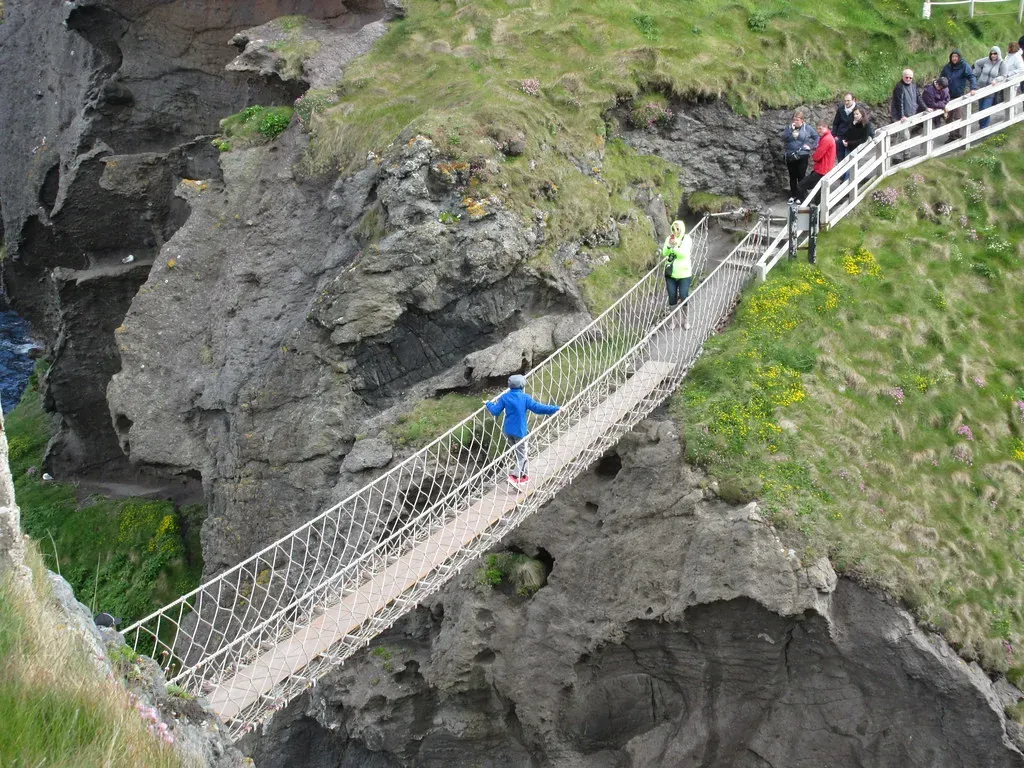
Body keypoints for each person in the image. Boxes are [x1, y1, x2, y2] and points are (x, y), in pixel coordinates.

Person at [485, 374, 560, 486]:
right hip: (520, 431)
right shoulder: (525, 398)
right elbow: (538, 408)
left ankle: (524, 477)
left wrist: (488, 403)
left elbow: (495, 411)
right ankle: (515, 477)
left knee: (519, 453)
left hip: (508, 431)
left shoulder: (505, 397)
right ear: (522, 385)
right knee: (523, 455)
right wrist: (556, 409)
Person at [661, 219, 693, 330]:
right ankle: (673, 321)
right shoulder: (669, 239)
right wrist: (670, 246)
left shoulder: (687, 239)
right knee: (672, 297)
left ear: (682, 229)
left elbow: (683, 254)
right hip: (670, 273)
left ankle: (685, 320)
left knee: (684, 296)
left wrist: (674, 246)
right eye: (673, 229)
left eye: (678, 229)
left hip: (684, 273)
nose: (675, 231)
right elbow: (664, 252)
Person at [780, 109, 819, 199]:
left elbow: (817, 137)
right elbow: (783, 138)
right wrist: (790, 130)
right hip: (790, 155)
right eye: (794, 119)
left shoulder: (807, 128)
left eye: (797, 120)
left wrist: (811, 146)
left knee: (801, 176)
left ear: (802, 120)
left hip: (802, 155)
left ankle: (801, 196)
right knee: (792, 176)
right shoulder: (789, 128)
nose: (795, 122)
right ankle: (793, 195)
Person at [940, 49, 977, 139]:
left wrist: (973, 88)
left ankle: (957, 134)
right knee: (948, 117)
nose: (954, 58)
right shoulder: (947, 67)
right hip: (947, 96)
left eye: (956, 56)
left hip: (958, 95)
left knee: (957, 116)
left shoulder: (964, 66)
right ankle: (951, 135)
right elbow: (941, 78)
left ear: (959, 57)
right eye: (953, 56)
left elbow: (971, 76)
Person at [798, 119, 836, 202]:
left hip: (821, 170)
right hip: (825, 169)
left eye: (820, 128)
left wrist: (813, 154)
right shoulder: (828, 138)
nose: (818, 131)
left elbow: (817, 157)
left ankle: (807, 206)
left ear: (826, 128)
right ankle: (814, 209)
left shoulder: (826, 139)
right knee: (818, 193)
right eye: (817, 129)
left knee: (801, 185)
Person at [974, 46, 1006, 129]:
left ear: (998, 54)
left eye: (995, 53)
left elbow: (1003, 75)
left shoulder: (1002, 63)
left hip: (991, 89)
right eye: (991, 53)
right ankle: (981, 125)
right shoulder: (986, 60)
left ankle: (984, 127)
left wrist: (996, 80)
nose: (993, 55)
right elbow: (976, 63)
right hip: (981, 87)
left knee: (985, 109)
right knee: (981, 108)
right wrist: (978, 74)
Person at [831, 92, 858, 163]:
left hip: (851, 139)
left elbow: (864, 123)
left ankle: (848, 174)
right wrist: (834, 136)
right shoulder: (841, 109)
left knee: (849, 160)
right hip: (840, 137)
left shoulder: (858, 110)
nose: (846, 102)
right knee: (840, 160)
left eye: (848, 100)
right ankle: (842, 174)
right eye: (845, 100)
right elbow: (835, 123)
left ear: (853, 100)